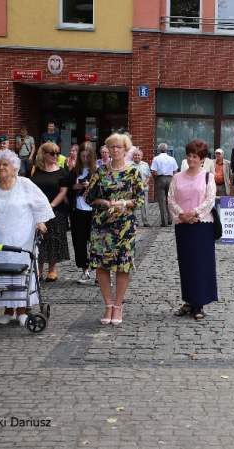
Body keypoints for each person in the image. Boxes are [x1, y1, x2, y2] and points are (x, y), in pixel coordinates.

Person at [0, 150, 53, 325]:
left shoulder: (25, 184)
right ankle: (7, 309)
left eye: (5, 165)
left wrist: (40, 222)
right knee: (1, 273)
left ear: (14, 168)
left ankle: (22, 309)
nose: (1, 167)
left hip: (22, 237)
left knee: (20, 273)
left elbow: (42, 204)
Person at [85, 133, 145, 326]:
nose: (116, 150)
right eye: (112, 147)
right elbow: (88, 197)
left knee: (123, 264)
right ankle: (108, 305)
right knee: (102, 266)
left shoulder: (133, 173)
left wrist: (123, 203)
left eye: (119, 147)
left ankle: (118, 305)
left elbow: (140, 200)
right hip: (102, 226)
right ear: (108, 150)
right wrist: (103, 201)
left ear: (126, 150)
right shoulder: (100, 172)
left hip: (124, 226)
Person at [169, 140, 219, 321]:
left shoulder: (208, 177)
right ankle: (188, 301)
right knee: (186, 264)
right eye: (189, 156)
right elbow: (171, 199)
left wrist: (194, 213)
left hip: (202, 225)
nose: (191, 159)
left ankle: (200, 302)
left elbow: (210, 199)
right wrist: (183, 215)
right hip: (183, 225)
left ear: (203, 159)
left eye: (195, 156)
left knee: (201, 264)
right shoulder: (177, 177)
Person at [29, 142, 70, 282]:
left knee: (53, 239)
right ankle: (38, 269)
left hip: (55, 210)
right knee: (38, 239)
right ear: (43, 154)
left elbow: (63, 191)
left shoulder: (62, 171)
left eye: (57, 153)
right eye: (52, 153)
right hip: (36, 211)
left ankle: (52, 269)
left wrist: (51, 205)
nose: (55, 156)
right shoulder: (34, 170)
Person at [68, 142, 97, 284]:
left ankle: (99, 272)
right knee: (79, 242)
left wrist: (89, 186)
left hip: (94, 212)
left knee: (96, 243)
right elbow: (67, 190)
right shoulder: (74, 171)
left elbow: (103, 191)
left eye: (87, 156)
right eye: (82, 156)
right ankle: (85, 271)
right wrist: (74, 187)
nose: (85, 159)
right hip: (78, 211)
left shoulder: (97, 171)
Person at [151, 142, 178, 226]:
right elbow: (175, 171)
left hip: (160, 178)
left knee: (162, 200)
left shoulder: (156, 159)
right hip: (170, 178)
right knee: (169, 199)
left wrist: (156, 178)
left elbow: (154, 171)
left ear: (159, 150)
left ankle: (164, 221)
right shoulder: (172, 159)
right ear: (167, 150)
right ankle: (170, 219)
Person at [131, 150, 152, 227]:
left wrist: (145, 183)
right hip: (133, 188)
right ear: (133, 156)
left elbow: (148, 176)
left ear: (141, 157)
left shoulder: (145, 164)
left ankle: (145, 221)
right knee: (134, 204)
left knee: (145, 205)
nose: (137, 157)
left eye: (138, 155)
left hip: (144, 188)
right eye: (135, 155)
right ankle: (135, 221)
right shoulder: (129, 165)